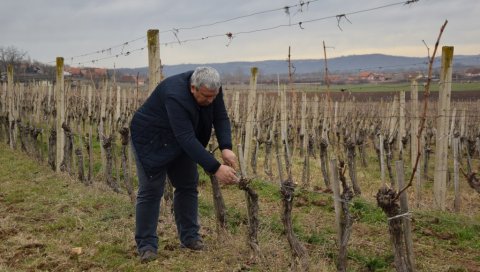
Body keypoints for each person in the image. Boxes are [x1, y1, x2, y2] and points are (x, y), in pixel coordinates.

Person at [130, 66, 239, 263]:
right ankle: (146, 245)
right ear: (193, 88)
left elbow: (221, 116)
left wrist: (226, 147)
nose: (210, 101)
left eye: (213, 96)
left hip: (180, 139)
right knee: (151, 190)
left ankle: (190, 238)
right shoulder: (175, 94)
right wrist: (215, 168)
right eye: (206, 96)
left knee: (187, 185)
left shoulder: (213, 89)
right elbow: (186, 138)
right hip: (152, 139)